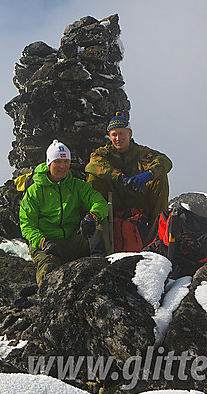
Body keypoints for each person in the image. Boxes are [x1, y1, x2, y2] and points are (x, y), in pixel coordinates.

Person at [19, 139, 109, 286]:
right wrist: (44, 243)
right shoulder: (34, 192)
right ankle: (46, 296)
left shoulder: (77, 186)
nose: (63, 166)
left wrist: (91, 217)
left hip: (72, 241)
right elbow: (27, 225)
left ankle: (99, 264)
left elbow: (100, 203)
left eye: (66, 161)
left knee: (99, 221)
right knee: (48, 270)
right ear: (49, 164)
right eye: (58, 162)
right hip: (46, 244)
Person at [85, 112, 172, 253]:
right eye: (114, 134)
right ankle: (98, 235)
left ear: (129, 133)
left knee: (160, 178)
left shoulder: (142, 152)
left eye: (121, 133)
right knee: (93, 178)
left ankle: (158, 234)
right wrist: (119, 177)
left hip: (138, 198)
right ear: (109, 136)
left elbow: (165, 161)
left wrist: (148, 175)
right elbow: (93, 165)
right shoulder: (102, 153)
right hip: (114, 201)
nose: (118, 138)